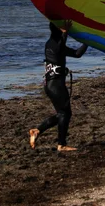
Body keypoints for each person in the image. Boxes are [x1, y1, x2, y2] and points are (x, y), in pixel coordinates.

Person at [29, 20, 88, 152]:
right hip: (55, 85)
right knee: (64, 114)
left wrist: (88, 42)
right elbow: (61, 46)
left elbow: (77, 54)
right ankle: (61, 145)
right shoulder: (53, 44)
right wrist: (65, 33)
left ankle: (37, 131)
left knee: (62, 114)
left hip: (53, 85)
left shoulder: (54, 44)